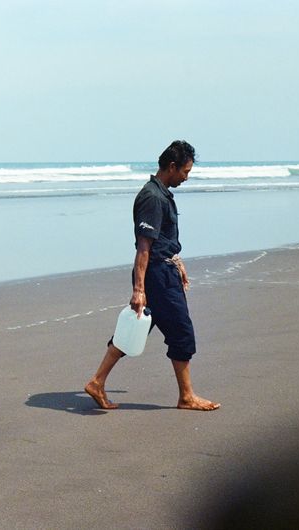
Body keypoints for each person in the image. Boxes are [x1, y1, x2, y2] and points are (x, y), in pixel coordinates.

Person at [84, 140, 220, 411]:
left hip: (161, 272)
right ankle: (186, 396)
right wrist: (139, 289)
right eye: (185, 171)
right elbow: (144, 246)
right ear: (172, 167)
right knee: (182, 333)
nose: (186, 177)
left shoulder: (160, 194)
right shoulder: (153, 198)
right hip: (157, 276)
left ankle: (97, 382)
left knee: (135, 330)